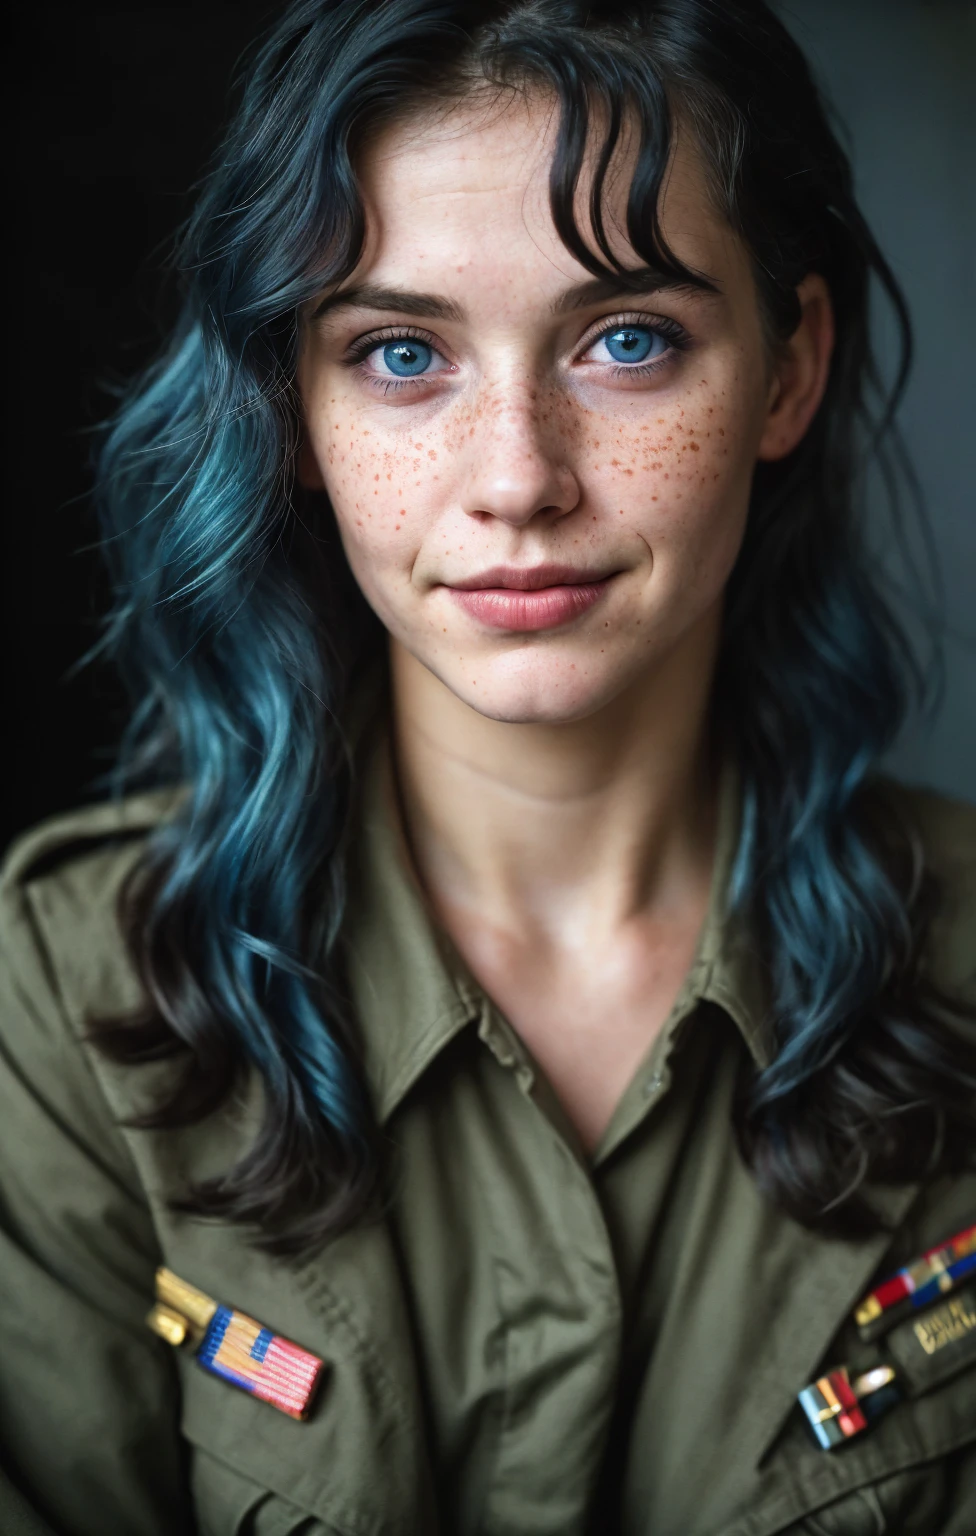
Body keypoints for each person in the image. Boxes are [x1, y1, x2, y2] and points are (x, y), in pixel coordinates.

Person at [1, 0, 973, 1531]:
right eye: (401, 354)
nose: (518, 474)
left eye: (629, 341)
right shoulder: (65, 1000)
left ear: (789, 373)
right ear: (296, 412)